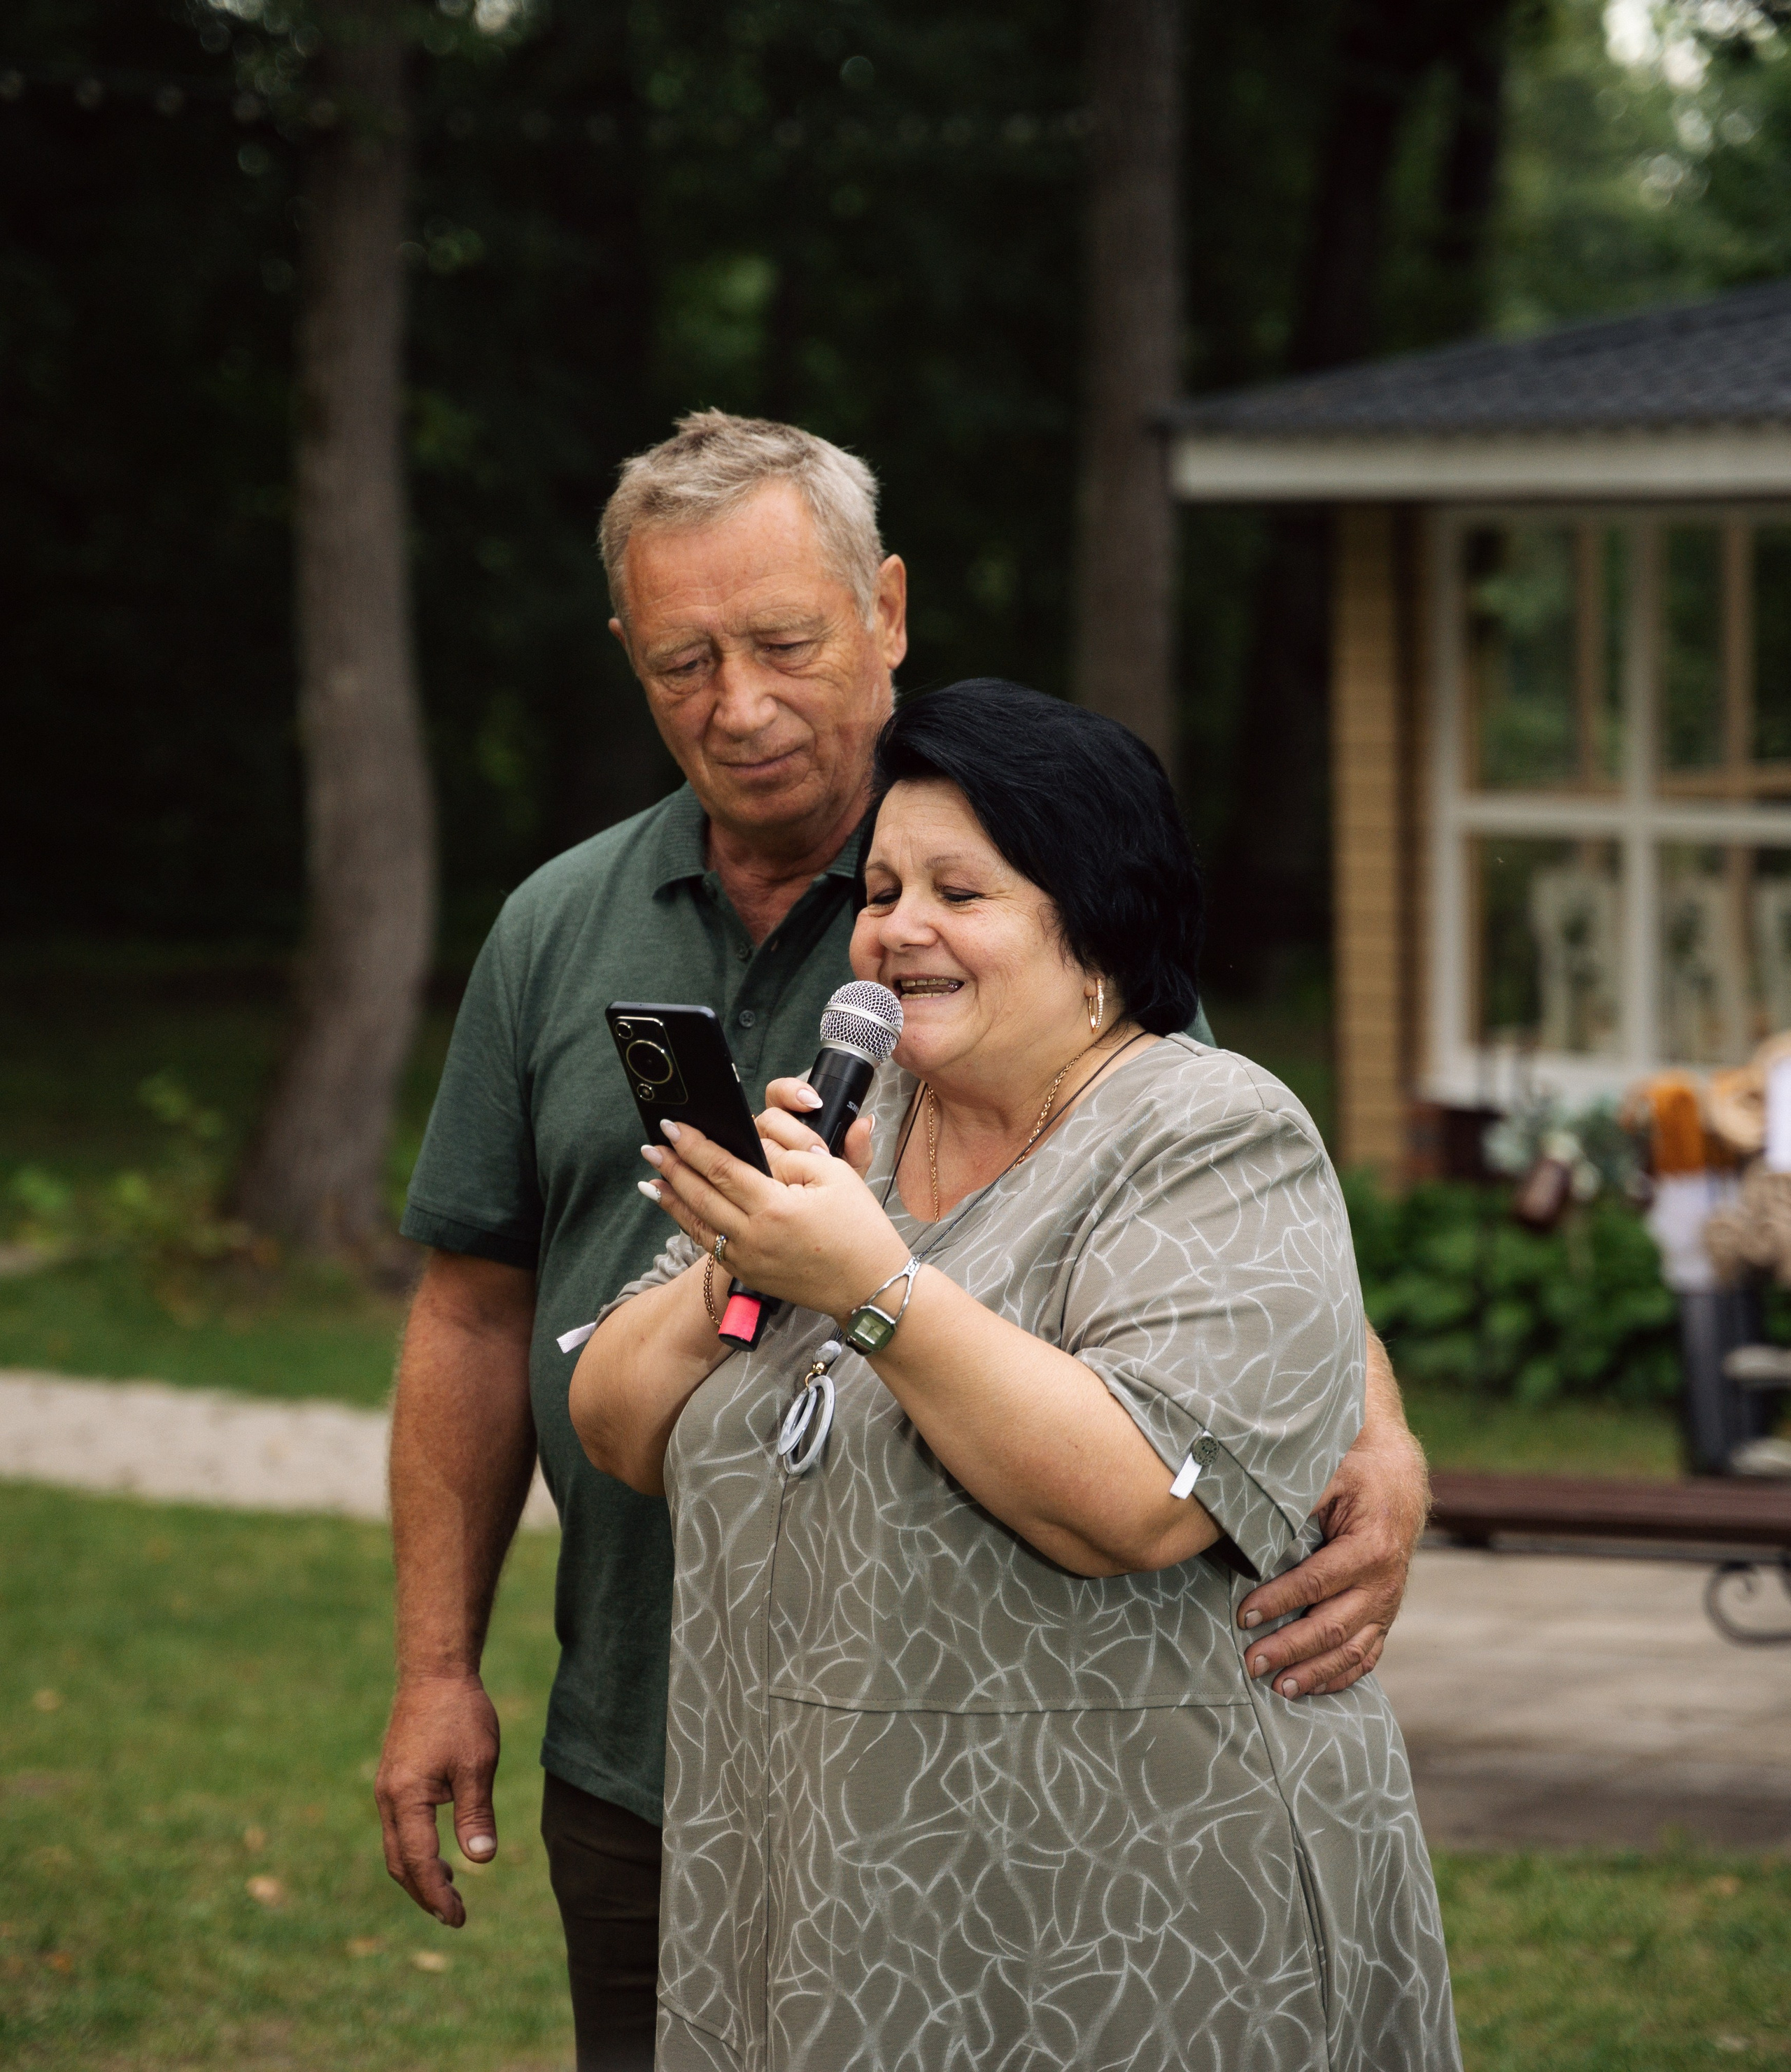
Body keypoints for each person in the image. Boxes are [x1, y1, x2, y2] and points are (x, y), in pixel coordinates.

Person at [376, 413, 1433, 2069]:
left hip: (1035, 1783)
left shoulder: (1060, 920)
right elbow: (477, 1313)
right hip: (670, 1736)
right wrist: (437, 1660)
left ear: (885, 607)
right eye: (681, 661)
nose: (737, 703)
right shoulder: (558, 929)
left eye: (783, 641)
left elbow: (1233, 1242)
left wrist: (1377, 1430)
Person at [569, 680, 1458, 2071]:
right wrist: (736, 1256)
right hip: (837, 1897)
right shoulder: (850, 1124)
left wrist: (868, 1286)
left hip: (1133, 1919)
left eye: (956, 889)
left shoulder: (1207, 1131)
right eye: (879, 887)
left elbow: (1133, 1498)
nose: (893, 926)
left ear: (1092, 923)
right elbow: (616, 1428)